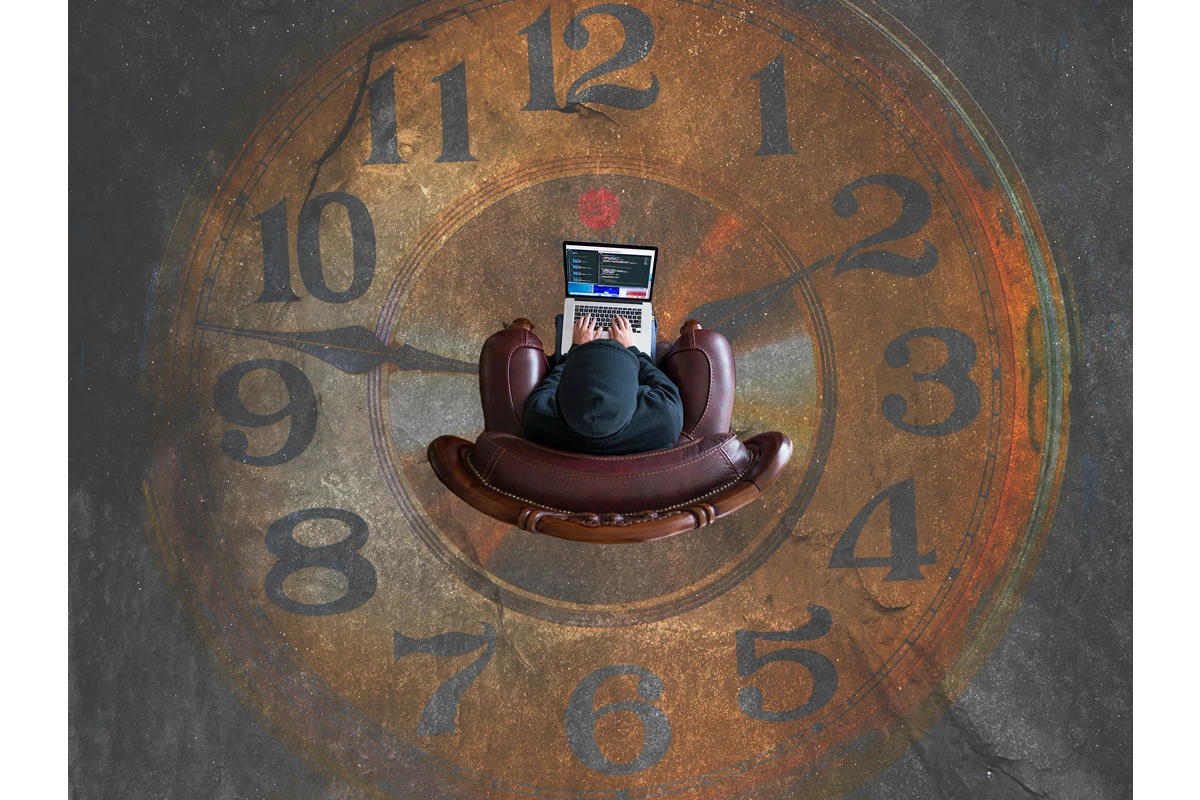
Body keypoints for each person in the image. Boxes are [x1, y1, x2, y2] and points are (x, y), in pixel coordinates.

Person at [521, 314, 684, 455]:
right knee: (650, 323)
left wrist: (576, 348)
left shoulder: (538, 415)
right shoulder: (666, 417)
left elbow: (551, 382)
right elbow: (659, 381)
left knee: (564, 322)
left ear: (561, 394)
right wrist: (632, 348)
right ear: (635, 392)